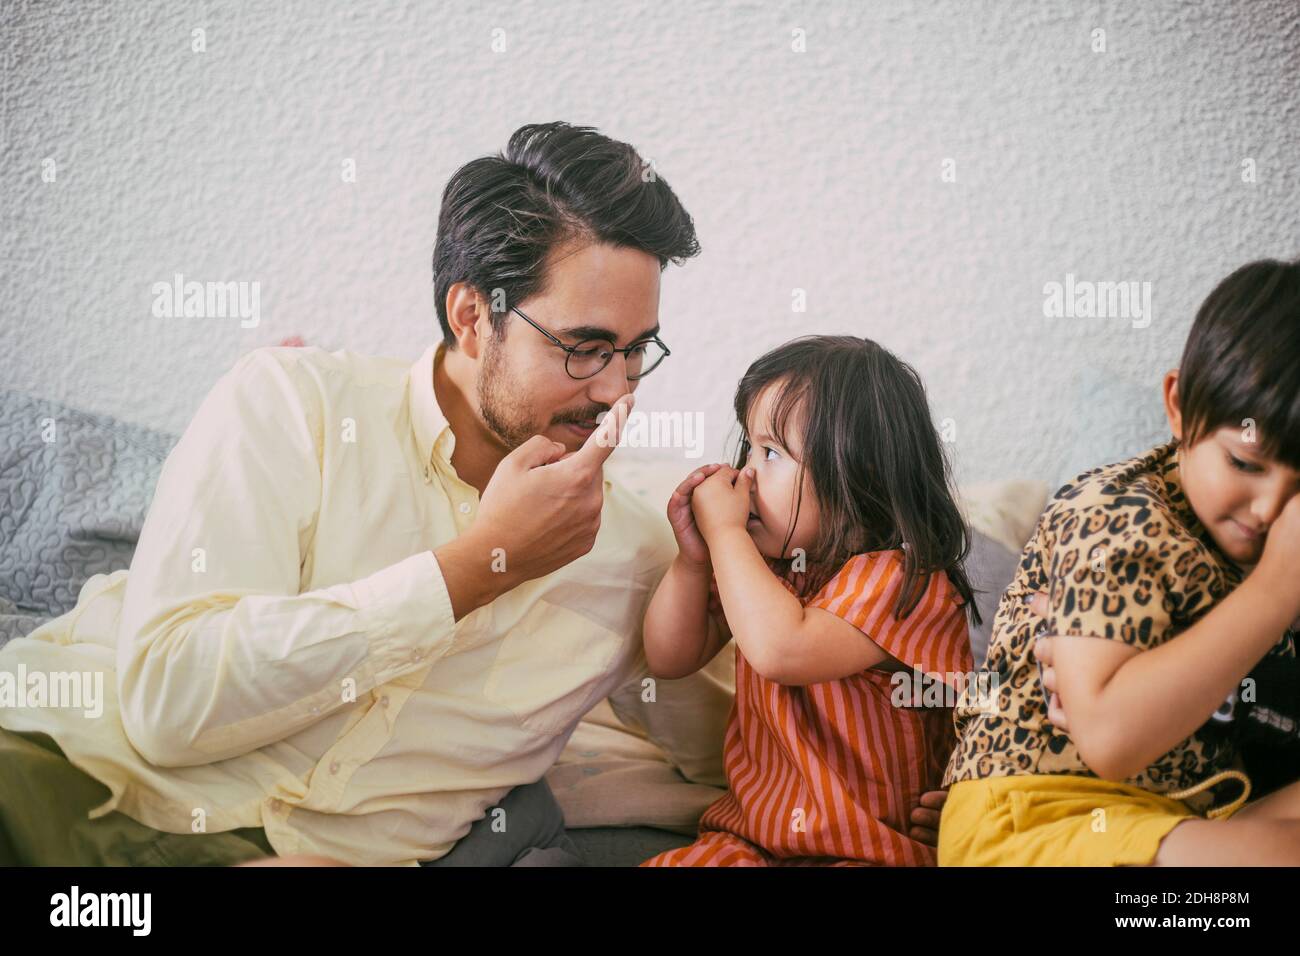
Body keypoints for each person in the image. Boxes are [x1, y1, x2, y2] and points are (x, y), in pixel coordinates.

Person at [0, 121, 725, 866]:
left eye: (637, 352)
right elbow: (166, 704)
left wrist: (750, 555)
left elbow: (749, 760)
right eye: (584, 348)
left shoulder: (639, 554)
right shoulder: (293, 404)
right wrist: (480, 565)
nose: (616, 391)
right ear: (473, 317)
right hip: (62, 774)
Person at [938, 257, 1300, 866]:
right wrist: (1273, 591)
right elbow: (1109, 737)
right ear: (1180, 406)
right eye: (1245, 463)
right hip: (1043, 819)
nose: (1271, 509)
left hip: (1178, 821)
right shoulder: (1116, 515)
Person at [639, 336, 980, 866]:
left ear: (857, 475)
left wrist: (726, 536)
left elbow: (784, 650)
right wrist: (694, 560)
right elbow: (669, 657)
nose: (746, 473)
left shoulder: (901, 580)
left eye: (772, 453)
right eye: (749, 448)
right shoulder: (761, 569)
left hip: (874, 849)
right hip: (752, 840)